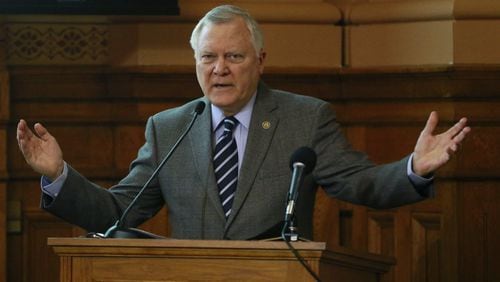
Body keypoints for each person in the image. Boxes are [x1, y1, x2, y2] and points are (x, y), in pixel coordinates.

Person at [16, 5, 470, 240]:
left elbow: (360, 184)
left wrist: (414, 167)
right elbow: (118, 213)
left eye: (234, 56)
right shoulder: (169, 127)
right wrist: (59, 176)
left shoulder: (305, 118)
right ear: (195, 63)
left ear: (260, 61)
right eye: (208, 58)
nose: (220, 69)